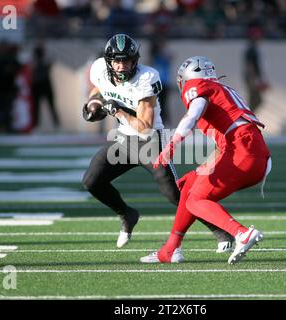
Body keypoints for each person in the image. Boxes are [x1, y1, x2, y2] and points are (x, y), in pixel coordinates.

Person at [82, 34, 234, 250]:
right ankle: (127, 214)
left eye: (126, 60)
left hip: (151, 142)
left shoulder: (146, 77)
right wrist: (94, 104)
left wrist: (118, 111)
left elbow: (145, 126)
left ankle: (221, 231)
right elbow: (99, 89)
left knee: (175, 195)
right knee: (91, 181)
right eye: (117, 61)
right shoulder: (99, 69)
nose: (122, 66)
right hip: (123, 140)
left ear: (135, 60)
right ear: (108, 62)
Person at [140, 56, 272, 265]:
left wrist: (172, 144)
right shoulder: (222, 90)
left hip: (242, 150)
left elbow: (193, 114)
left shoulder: (197, 86)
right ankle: (171, 250)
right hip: (248, 150)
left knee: (196, 200)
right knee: (190, 185)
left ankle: (241, 233)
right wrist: (204, 167)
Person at [30, 43, 60, 131]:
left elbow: (51, 61)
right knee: (36, 107)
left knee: (51, 105)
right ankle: (36, 125)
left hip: (45, 84)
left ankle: (57, 125)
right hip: (37, 85)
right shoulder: (33, 61)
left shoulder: (44, 60)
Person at [243, 27, 270, 113]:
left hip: (253, 77)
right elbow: (249, 65)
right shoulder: (251, 50)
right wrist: (253, 79)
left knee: (255, 100)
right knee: (256, 100)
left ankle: (249, 120)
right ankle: (248, 119)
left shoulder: (253, 49)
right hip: (252, 77)